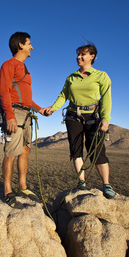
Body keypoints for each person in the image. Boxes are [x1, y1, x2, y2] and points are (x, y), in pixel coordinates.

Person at [43, 43, 116, 199]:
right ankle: (81, 182)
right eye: (78, 54)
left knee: (96, 150)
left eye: (83, 54)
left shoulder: (101, 76)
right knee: (76, 149)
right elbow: (64, 95)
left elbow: (106, 99)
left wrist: (105, 119)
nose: (79, 57)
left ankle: (106, 184)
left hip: (93, 117)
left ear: (92, 56)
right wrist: (53, 108)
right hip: (73, 115)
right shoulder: (71, 77)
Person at [0, 32, 48, 209]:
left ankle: (23, 187)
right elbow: (4, 91)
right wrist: (9, 115)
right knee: (11, 152)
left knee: (25, 150)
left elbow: (27, 99)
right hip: (14, 113)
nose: (31, 47)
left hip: (27, 114)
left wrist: (40, 109)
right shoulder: (8, 65)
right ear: (21, 45)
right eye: (29, 44)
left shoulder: (25, 69)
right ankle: (7, 191)